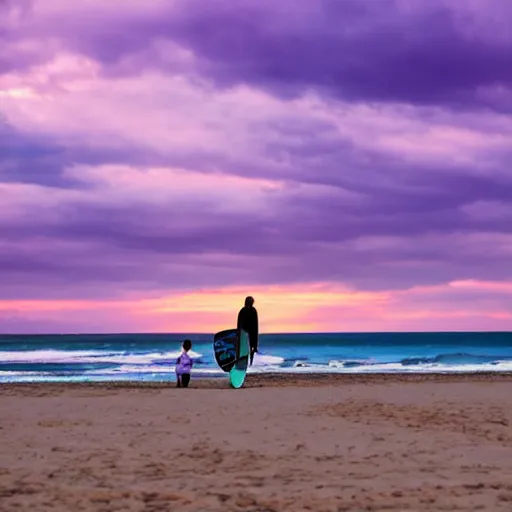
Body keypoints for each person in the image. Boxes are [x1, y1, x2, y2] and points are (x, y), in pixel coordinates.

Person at [237, 296, 259, 365]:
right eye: (250, 301)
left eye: (252, 302)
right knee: (243, 349)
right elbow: (239, 323)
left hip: (252, 332)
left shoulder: (253, 310)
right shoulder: (242, 310)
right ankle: (243, 363)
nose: (252, 303)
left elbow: (256, 323)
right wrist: (239, 332)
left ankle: (251, 363)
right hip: (243, 332)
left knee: (252, 348)